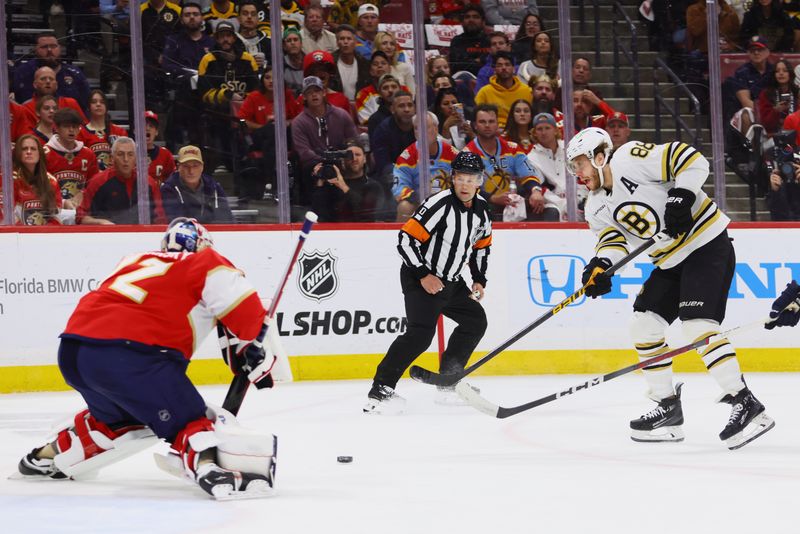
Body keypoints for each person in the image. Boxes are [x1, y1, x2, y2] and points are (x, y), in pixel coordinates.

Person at [16, 218, 278, 500]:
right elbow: (247, 311)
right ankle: (210, 469)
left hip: (74, 351)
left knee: (121, 419)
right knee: (190, 418)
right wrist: (255, 348)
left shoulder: (134, 260)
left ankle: (44, 456)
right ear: (204, 245)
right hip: (133, 357)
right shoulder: (206, 262)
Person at [565, 127, 775, 450]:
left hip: (706, 244)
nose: (577, 173)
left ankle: (745, 402)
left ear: (599, 156)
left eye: (579, 164)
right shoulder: (594, 205)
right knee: (644, 327)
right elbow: (612, 240)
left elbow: (690, 160)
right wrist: (600, 266)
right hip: (669, 261)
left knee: (697, 326)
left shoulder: (629, 159)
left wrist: (682, 195)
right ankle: (668, 409)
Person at [364, 151, 492, 414]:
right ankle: (380, 390)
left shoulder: (482, 209)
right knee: (420, 334)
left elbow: (481, 246)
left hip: (452, 282)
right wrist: (423, 274)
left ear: (479, 181)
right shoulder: (439, 204)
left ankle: (449, 381)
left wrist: (479, 279)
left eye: (472, 179)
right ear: (453, 179)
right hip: (419, 277)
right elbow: (405, 240)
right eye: (461, 178)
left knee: (475, 321)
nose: (466, 184)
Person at [465, 103, 543, 220]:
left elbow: (528, 174)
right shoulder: (467, 154)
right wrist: (493, 198)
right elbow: (465, 187)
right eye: (482, 122)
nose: (487, 125)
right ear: (475, 125)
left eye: (491, 121)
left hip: (512, 204)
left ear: (497, 124)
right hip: (480, 207)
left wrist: (535, 191)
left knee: (547, 210)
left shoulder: (512, 149)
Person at [291, 76, 358, 205]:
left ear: (323, 92)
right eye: (309, 92)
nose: (314, 95)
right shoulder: (298, 122)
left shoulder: (342, 115)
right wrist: (324, 162)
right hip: (314, 166)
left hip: (341, 161)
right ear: (304, 97)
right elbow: (304, 152)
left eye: (317, 91)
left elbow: (354, 141)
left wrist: (342, 157)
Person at [77, 137, 167, 225]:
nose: (126, 159)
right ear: (112, 158)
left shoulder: (148, 183)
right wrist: (100, 222)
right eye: (120, 154)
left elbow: (160, 220)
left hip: (141, 235)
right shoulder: (98, 182)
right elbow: (80, 217)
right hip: (108, 236)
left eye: (130, 154)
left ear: (136, 158)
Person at [392, 112, 459, 221]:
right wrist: (418, 198)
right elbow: (399, 187)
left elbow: (465, 179)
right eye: (417, 128)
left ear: (436, 129)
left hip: (448, 202)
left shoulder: (452, 153)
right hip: (420, 204)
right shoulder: (407, 157)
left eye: (426, 128)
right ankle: (404, 237)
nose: (421, 132)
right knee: (404, 207)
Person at [527, 112, 583, 221]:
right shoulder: (531, 157)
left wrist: (579, 198)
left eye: (547, 128)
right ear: (534, 133)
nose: (544, 132)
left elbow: (582, 176)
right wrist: (564, 204)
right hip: (552, 202)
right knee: (552, 212)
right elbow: (539, 187)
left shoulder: (570, 148)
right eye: (539, 129)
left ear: (555, 130)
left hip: (578, 197)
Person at [311, 139, 385, 222]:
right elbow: (317, 216)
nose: (354, 159)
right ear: (342, 160)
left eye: (357, 155)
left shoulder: (373, 186)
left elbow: (367, 216)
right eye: (349, 155)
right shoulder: (332, 185)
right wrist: (320, 183)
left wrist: (344, 187)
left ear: (364, 158)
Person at [13, 33, 90, 108]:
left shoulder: (74, 73)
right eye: (44, 47)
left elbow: (85, 104)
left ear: (59, 48)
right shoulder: (24, 72)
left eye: (53, 46)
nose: (49, 50)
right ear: (35, 49)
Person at [0, 134, 63, 226]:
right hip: (17, 235)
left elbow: (55, 216)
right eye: (24, 149)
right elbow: (4, 215)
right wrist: (27, 232)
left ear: (39, 153)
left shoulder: (51, 181)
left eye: (33, 149)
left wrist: (46, 232)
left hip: (44, 234)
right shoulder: (7, 179)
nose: (29, 152)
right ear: (18, 153)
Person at [161, 145, 234, 223]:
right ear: (178, 167)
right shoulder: (168, 189)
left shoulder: (214, 187)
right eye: (186, 166)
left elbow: (226, 219)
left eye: (195, 166)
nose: (191, 171)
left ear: (202, 167)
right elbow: (175, 220)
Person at [45, 108, 100, 211]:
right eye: (66, 126)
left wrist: (83, 194)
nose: (71, 130)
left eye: (75, 127)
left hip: (80, 208)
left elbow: (94, 184)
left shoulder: (88, 154)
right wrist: (62, 202)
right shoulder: (45, 153)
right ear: (56, 128)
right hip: (52, 209)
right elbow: (39, 186)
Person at [474, 51, 532, 130]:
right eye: (500, 65)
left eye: (507, 65)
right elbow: (478, 118)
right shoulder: (484, 92)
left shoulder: (526, 91)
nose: (504, 68)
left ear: (514, 69)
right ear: (494, 70)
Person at [78, 90, 128, 171]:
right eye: (94, 102)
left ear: (106, 107)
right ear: (88, 107)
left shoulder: (119, 132)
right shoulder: (81, 133)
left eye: (102, 102)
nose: (98, 104)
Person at [22, 66, 87, 124]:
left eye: (51, 79)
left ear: (56, 85)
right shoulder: (26, 108)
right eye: (43, 79)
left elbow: (84, 128)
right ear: (35, 84)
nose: (48, 81)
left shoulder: (70, 103)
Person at [757, 59, 798, 136]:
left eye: (785, 71)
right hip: (773, 137)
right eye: (777, 71)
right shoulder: (766, 94)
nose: (781, 73)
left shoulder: (797, 92)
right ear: (774, 74)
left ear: (790, 74)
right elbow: (765, 124)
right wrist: (775, 111)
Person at [448, 4, 490, 76]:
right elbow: (456, 66)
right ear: (462, 22)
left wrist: (471, 61)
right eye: (467, 17)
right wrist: (479, 61)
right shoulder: (457, 41)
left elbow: (493, 64)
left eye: (475, 17)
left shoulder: (490, 40)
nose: (471, 20)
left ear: (483, 21)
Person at [333, 24, 371, 101]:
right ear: (337, 42)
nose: (345, 42)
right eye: (342, 39)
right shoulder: (330, 63)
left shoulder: (364, 64)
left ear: (356, 42)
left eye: (349, 39)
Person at [144, 111, 176, 186]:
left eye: (151, 126)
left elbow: (173, 179)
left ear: (156, 132)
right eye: (143, 125)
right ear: (135, 130)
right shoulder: (129, 153)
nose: (147, 128)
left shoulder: (165, 154)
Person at [236, 0, 271, 70]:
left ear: (258, 19)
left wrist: (265, 65)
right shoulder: (233, 43)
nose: (249, 17)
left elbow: (280, 69)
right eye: (245, 13)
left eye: (253, 14)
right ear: (238, 18)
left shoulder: (268, 43)